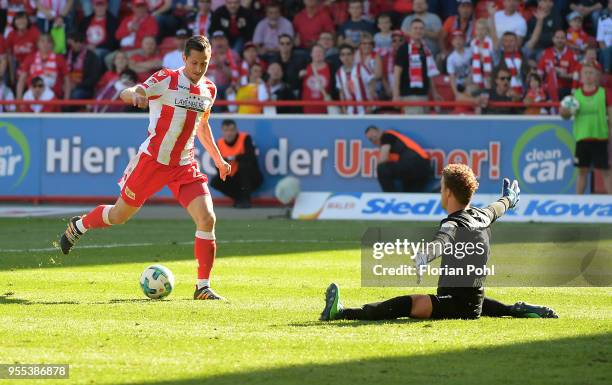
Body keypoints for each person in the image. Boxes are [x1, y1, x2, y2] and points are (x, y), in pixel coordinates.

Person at [58, 35, 232, 301]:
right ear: (184, 59)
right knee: (118, 216)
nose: (198, 70)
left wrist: (218, 159)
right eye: (194, 63)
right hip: (152, 162)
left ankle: (202, 287)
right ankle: (79, 225)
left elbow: (203, 125)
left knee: (207, 219)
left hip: (184, 165)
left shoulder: (209, 88)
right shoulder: (166, 79)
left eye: (204, 64)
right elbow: (130, 91)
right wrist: (136, 95)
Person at [320, 163, 559, 322]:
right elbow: (499, 207)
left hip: (457, 305)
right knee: (474, 304)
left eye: (442, 187)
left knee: (411, 303)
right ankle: (518, 309)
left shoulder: (452, 223)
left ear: (448, 194)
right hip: (470, 300)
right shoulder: (482, 214)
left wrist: (426, 254)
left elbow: (443, 240)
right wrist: (509, 199)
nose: (440, 191)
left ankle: (342, 313)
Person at [560, 64, 612, 194]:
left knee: (606, 171)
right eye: (586, 73)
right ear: (581, 76)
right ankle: (579, 202)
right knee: (582, 172)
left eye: (591, 73)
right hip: (582, 138)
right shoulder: (575, 95)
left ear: (597, 76)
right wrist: (565, 110)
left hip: (600, 137)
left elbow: (611, 118)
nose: (588, 76)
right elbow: (565, 116)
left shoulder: (604, 93)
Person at [210, 119, 263, 208]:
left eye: (231, 130)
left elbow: (251, 157)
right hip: (232, 177)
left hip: (251, 177)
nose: (229, 133)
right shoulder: (219, 143)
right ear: (222, 131)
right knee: (215, 182)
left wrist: (234, 158)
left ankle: (246, 200)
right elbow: (217, 167)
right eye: (226, 130)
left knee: (243, 167)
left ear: (236, 130)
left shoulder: (245, 138)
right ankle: (239, 199)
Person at [364, 125, 433, 192]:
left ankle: (389, 197)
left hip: (416, 164)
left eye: (375, 136)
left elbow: (383, 159)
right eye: (371, 139)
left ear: (380, 131)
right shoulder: (393, 141)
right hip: (423, 168)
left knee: (381, 169)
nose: (374, 139)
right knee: (409, 197)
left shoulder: (386, 136)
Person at [393, 19, 441, 114]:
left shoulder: (426, 49)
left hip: (424, 94)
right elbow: (397, 72)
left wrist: (434, 93)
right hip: (409, 94)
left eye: (421, 28)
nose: (418, 31)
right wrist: (396, 94)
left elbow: (429, 73)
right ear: (410, 31)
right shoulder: (403, 49)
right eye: (415, 28)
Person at [537, 29, 579, 101]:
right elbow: (539, 73)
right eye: (557, 38)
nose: (560, 40)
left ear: (566, 40)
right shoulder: (546, 53)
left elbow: (575, 75)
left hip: (565, 89)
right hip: (548, 89)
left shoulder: (572, 55)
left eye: (562, 38)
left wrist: (561, 74)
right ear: (553, 39)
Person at [335, 44, 374, 114]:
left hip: (365, 108)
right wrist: (344, 109)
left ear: (353, 55)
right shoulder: (338, 73)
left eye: (348, 54)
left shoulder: (361, 67)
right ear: (340, 57)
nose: (346, 57)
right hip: (350, 110)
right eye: (343, 55)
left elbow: (372, 84)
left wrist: (370, 105)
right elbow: (341, 92)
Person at [66, 31, 102, 101]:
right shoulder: (66, 55)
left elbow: (94, 78)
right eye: (76, 41)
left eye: (81, 41)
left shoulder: (91, 56)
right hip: (68, 85)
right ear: (71, 42)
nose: (79, 44)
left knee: (75, 95)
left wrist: (77, 85)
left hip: (85, 88)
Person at [596, 0, 612, 72]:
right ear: (608, 5)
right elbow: (600, 40)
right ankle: (606, 74)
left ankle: (606, 72)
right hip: (606, 49)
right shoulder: (602, 19)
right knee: (605, 52)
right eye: (610, 2)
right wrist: (606, 51)